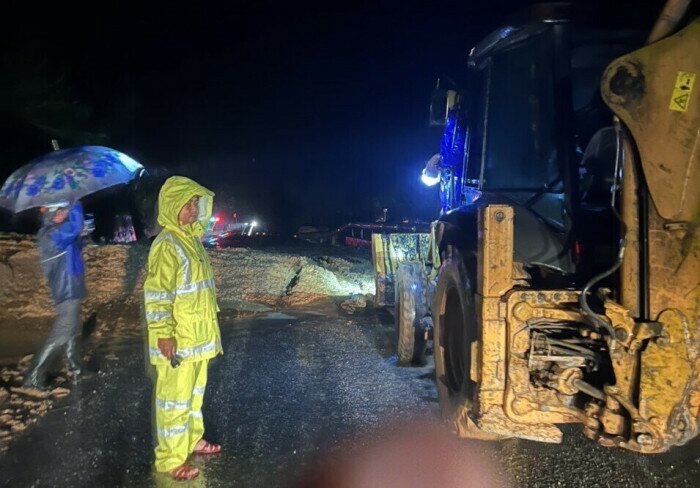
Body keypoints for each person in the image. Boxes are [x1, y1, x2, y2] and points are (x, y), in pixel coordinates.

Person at [144, 176, 223, 481]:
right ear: (171, 206)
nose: (192, 209)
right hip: (177, 341)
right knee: (174, 399)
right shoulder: (167, 245)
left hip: (198, 338)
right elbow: (158, 294)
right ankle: (170, 458)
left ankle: (191, 440)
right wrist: (164, 333)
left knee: (193, 396)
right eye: (187, 204)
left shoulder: (191, 241)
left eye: (194, 203)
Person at [23, 201, 90, 389]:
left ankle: (76, 366)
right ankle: (33, 375)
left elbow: (74, 244)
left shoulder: (58, 232)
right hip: (65, 289)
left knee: (72, 328)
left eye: (63, 210)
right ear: (49, 214)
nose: (63, 213)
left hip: (72, 286)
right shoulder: (49, 234)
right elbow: (75, 226)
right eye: (59, 211)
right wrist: (76, 202)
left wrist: (81, 237)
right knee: (62, 331)